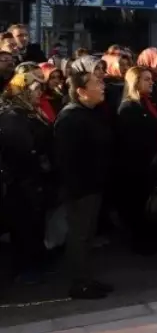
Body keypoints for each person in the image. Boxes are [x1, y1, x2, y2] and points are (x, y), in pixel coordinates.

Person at [54, 68, 114, 299]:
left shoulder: (92, 113)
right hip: (81, 190)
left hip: (94, 185)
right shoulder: (70, 118)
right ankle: (79, 283)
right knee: (79, 236)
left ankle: (87, 278)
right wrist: (78, 190)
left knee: (88, 235)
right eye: (96, 84)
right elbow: (66, 160)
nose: (102, 87)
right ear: (80, 91)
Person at [0, 65, 55, 283]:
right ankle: (25, 268)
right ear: (21, 91)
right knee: (23, 226)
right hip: (21, 181)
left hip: (33, 179)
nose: (38, 93)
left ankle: (35, 261)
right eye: (34, 89)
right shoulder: (12, 116)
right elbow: (24, 148)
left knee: (34, 223)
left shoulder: (28, 111)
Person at [115, 65, 157, 255]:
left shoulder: (146, 102)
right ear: (135, 82)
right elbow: (131, 142)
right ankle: (140, 244)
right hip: (137, 168)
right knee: (138, 207)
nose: (151, 82)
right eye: (146, 79)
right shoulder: (129, 108)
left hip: (150, 165)